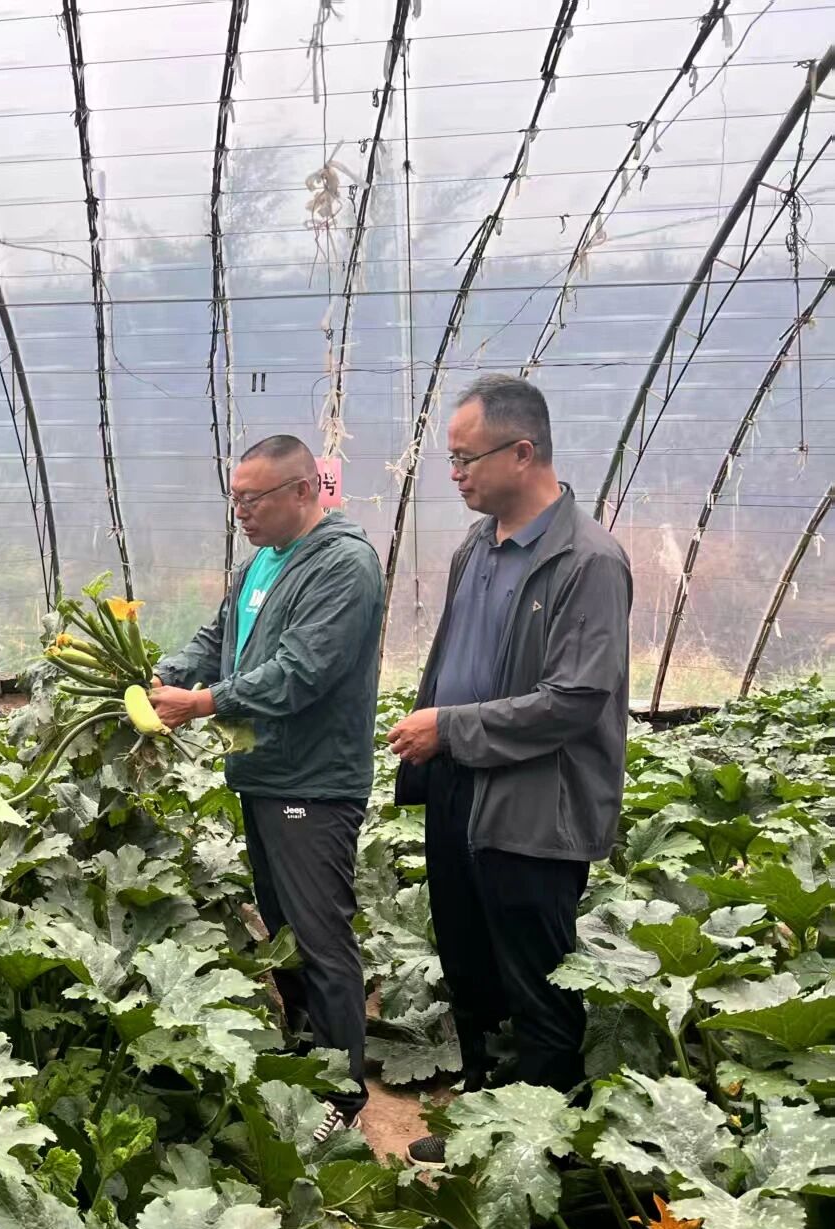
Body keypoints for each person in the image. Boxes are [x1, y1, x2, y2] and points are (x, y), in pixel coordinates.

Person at [385, 374, 631, 1167]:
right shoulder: (475, 547)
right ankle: (481, 1128)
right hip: (460, 785)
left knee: (537, 986)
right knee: (471, 970)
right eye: (450, 459)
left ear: (523, 453)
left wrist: (450, 727)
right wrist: (436, 741)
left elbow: (574, 701)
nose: (455, 473)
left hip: (534, 809)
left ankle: (542, 1157)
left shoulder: (588, 560)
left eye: (466, 458)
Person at [151, 435, 384, 1139]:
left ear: (304, 490)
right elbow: (219, 638)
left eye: (252, 499)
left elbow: (301, 671)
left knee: (320, 937)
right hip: (265, 773)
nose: (242, 513)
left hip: (314, 782)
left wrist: (205, 702)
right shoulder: (261, 562)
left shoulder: (344, 565)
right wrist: (166, 674)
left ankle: (342, 1098)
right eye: (235, 500)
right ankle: (304, 1064)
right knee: (283, 932)